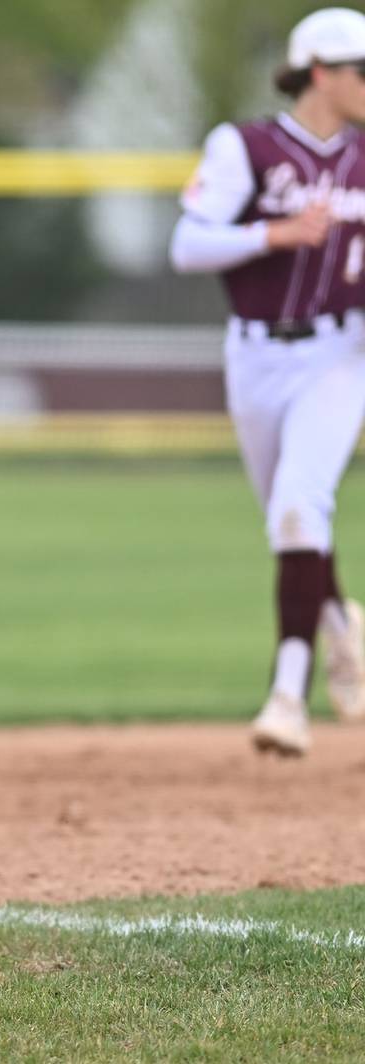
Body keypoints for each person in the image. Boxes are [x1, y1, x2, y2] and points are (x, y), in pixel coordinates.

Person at [170, 7, 365, 756]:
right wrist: (275, 233)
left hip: (340, 355)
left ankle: (288, 697)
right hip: (254, 356)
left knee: (298, 506)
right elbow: (187, 246)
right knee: (290, 518)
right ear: (320, 73)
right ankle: (341, 624)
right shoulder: (246, 147)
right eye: (359, 70)